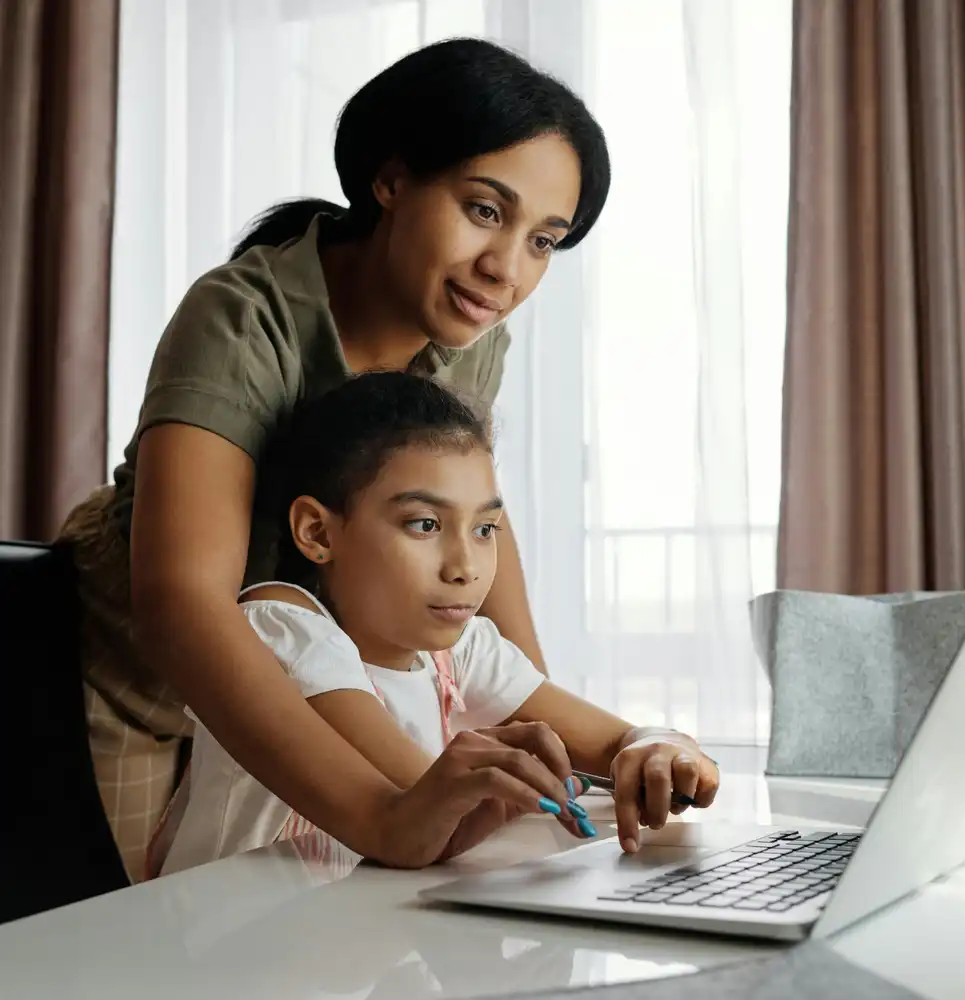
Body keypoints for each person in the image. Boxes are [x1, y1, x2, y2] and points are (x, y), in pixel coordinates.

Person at [59, 36, 615, 880]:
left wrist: (537, 733)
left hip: (316, 666)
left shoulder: (470, 334)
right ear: (390, 180)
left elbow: (474, 517)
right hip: (139, 667)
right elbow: (181, 602)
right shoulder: (243, 316)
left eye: (544, 240)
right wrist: (383, 816)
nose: (506, 269)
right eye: (485, 211)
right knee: (130, 938)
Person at [150, 372, 720, 877]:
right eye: (424, 524)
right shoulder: (282, 628)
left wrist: (661, 748)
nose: (466, 568)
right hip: (234, 947)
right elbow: (424, 806)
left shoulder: (457, 651)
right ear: (318, 533)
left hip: (353, 941)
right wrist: (533, 783)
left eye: (485, 529)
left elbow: (617, 739)